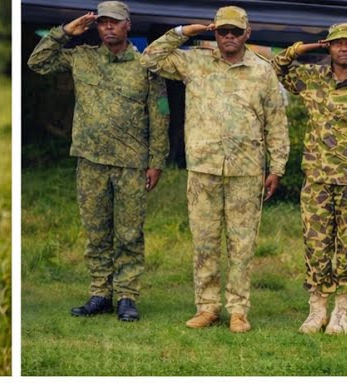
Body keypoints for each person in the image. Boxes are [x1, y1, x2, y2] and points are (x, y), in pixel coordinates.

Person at [140, 6, 289, 333]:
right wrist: (184, 32)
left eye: (236, 31)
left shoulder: (263, 71)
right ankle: (207, 307)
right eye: (223, 32)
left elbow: (276, 123)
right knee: (204, 242)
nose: (229, 37)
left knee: (242, 244)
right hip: (204, 168)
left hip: (246, 170)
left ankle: (238, 310)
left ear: (247, 33)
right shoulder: (195, 61)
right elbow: (149, 59)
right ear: (215, 33)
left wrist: (276, 167)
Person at [27, 1, 170, 322]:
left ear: (127, 26)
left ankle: (127, 297)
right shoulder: (83, 59)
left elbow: (160, 115)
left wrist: (157, 161)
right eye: (103, 22)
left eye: (114, 23)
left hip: (131, 163)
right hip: (90, 161)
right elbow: (38, 62)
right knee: (96, 232)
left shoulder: (146, 66)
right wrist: (64, 32)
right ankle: (100, 294)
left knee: (130, 233)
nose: (108, 28)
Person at [273, 24, 347, 335]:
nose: (344, 49)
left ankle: (342, 310)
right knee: (316, 243)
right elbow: (277, 67)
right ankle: (317, 309)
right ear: (329, 47)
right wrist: (304, 48)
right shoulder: (311, 78)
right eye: (337, 44)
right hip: (317, 177)